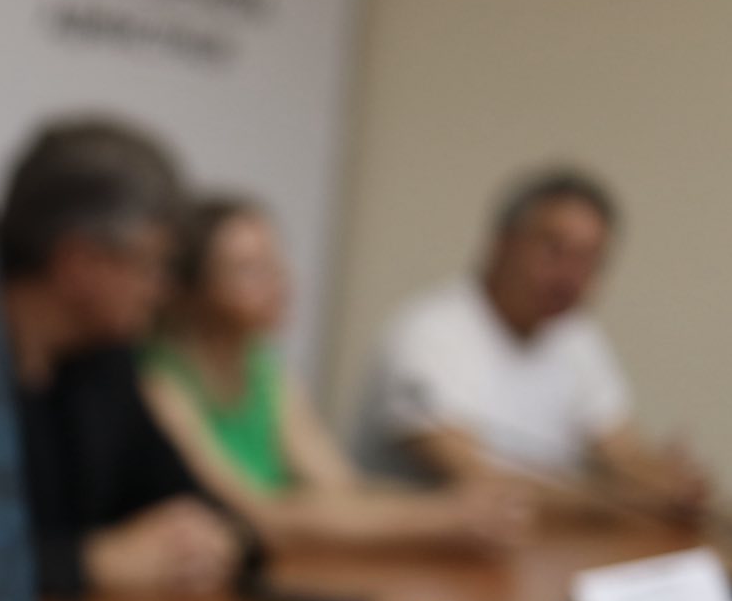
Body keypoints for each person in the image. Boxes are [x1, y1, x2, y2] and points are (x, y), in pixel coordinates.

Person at [144, 197, 529, 552]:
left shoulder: (261, 365)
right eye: (250, 270)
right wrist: (443, 517)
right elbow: (260, 516)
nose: (279, 282)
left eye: (275, 263)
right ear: (190, 292)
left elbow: (338, 487)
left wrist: (454, 507)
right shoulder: (159, 381)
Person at [361, 167, 712, 521]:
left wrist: (666, 481)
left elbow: (623, 453)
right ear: (503, 243)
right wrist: (624, 497)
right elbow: (483, 485)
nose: (570, 277)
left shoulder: (576, 336)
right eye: (555, 250)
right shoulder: (428, 334)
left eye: (589, 260)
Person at [0, 122, 244, 599]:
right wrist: (89, 562)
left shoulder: (106, 364)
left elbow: (191, 500)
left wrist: (213, 540)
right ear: (78, 264)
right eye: (151, 264)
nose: (162, 289)